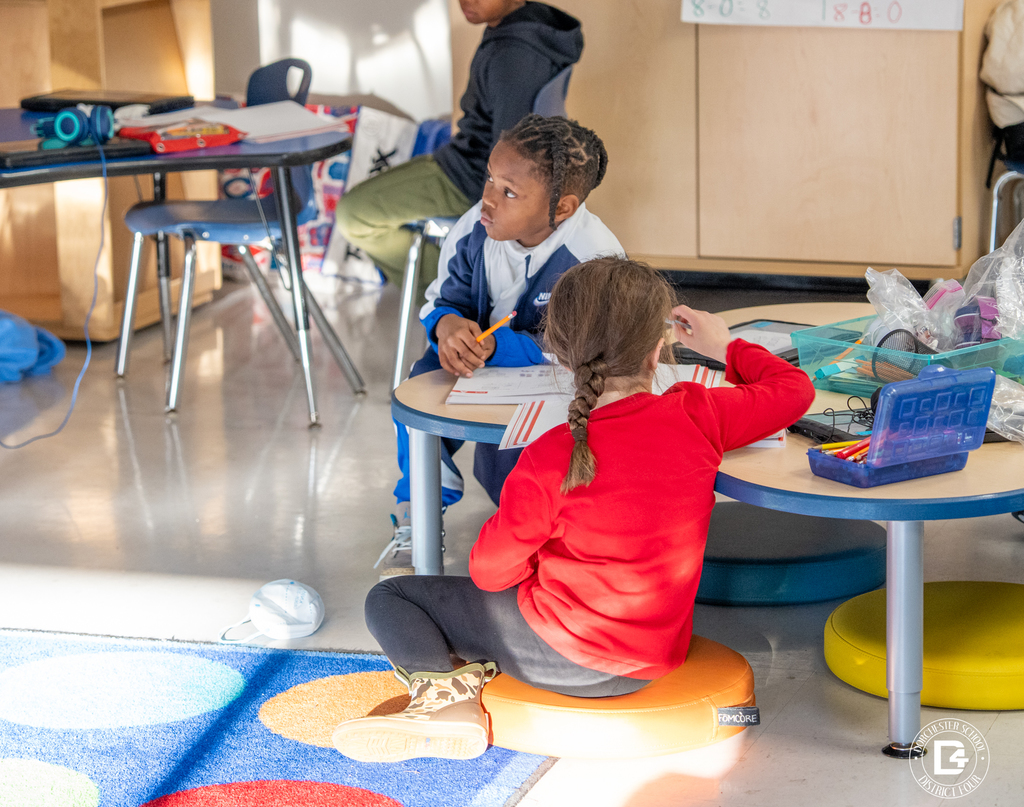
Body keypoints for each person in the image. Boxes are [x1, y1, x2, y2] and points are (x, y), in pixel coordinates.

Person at [334, 257, 817, 763]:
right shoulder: (698, 414)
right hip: (655, 656)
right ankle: (467, 679)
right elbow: (794, 392)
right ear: (658, 351)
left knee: (392, 598)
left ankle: (447, 703)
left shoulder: (550, 455)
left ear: (560, 355)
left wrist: (535, 565)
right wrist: (724, 345)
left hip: (555, 658)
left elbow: (489, 571)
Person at [378, 114, 622, 575]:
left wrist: (498, 350)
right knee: (416, 393)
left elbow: (584, 350)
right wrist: (448, 325)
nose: (488, 199)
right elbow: (441, 298)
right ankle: (418, 511)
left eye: (509, 192)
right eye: (490, 179)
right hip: (479, 362)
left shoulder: (593, 258)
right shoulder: (475, 227)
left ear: (563, 208)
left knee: (519, 490)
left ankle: (541, 536)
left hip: (558, 381)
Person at [333, 0, 584, 293]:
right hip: (467, 157)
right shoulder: (531, 28)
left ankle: (455, 291)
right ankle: (459, 280)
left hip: (470, 177)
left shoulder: (513, 55)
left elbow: (515, 161)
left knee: (353, 214)